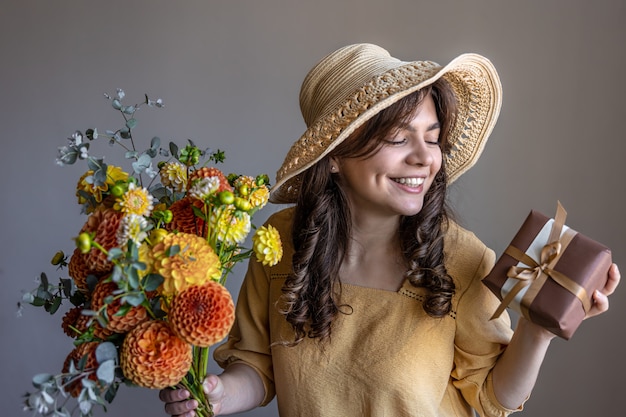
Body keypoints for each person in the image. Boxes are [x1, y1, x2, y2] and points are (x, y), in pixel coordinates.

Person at [159, 43, 620, 416]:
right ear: (335, 156)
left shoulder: (461, 259)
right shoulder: (279, 241)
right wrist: (218, 396)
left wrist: (537, 330)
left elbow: (492, 398)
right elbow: (258, 367)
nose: (424, 157)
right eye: (398, 138)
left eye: (432, 136)